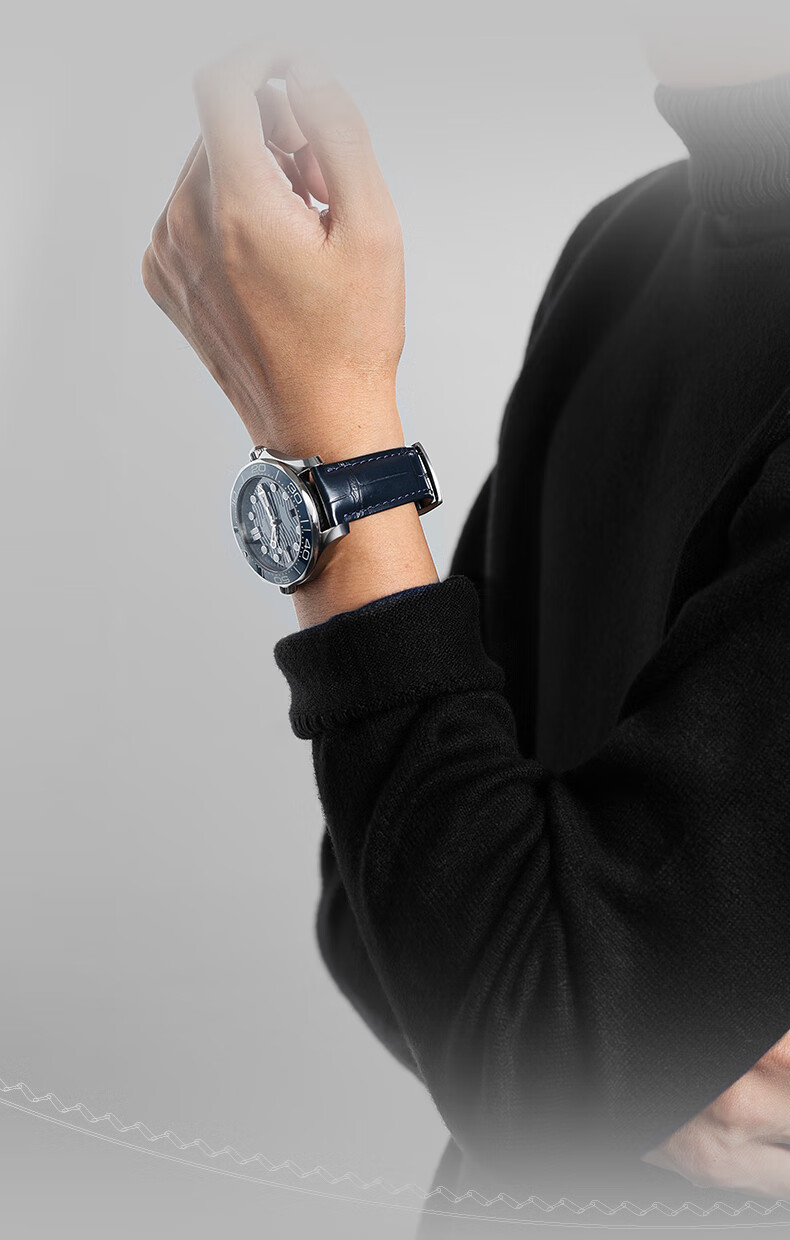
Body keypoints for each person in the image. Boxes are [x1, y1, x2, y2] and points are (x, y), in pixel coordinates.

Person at [142, 20, 790, 1234]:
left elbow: (503, 1004)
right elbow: (378, 910)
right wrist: (597, 1076)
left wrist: (329, 438)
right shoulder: (627, 248)